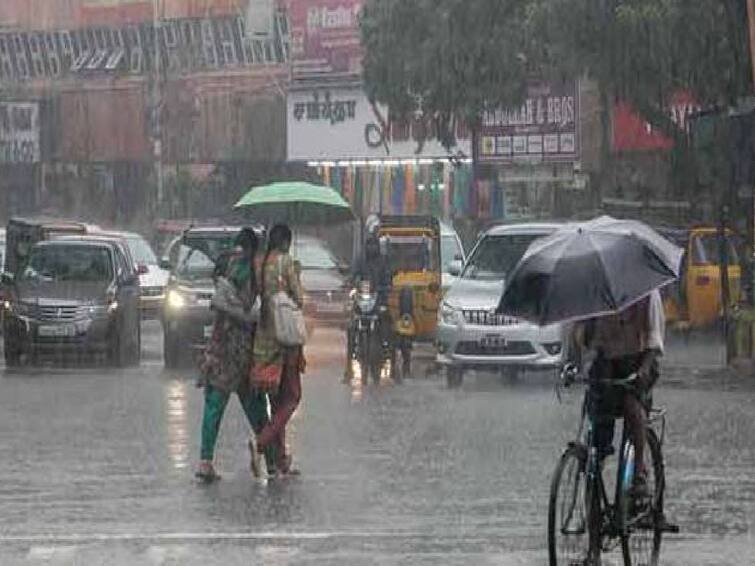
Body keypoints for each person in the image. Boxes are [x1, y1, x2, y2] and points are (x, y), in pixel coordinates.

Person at [569, 289, 665, 504]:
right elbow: (581, 338)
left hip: (639, 361)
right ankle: (597, 461)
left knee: (632, 405)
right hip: (605, 363)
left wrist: (643, 370)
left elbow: (654, 340)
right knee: (598, 412)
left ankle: (639, 472)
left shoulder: (648, 294)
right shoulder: (594, 294)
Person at [195, 228, 274, 483]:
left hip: (222, 347)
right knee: (255, 406)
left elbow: (219, 314)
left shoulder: (227, 267)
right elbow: (260, 308)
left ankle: (205, 462)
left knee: (214, 404)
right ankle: (272, 460)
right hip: (245, 348)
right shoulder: (254, 271)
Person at [254, 224, 305, 477]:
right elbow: (300, 299)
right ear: (285, 241)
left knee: (276, 401)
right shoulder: (286, 263)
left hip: (264, 340)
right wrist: (297, 275)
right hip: (286, 341)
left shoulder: (260, 263)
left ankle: (279, 461)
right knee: (293, 396)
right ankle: (262, 442)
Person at [343, 233, 392, 382]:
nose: (371, 248)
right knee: (351, 328)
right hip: (362, 301)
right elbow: (353, 276)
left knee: (388, 323)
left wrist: (386, 287)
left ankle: (389, 355)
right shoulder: (360, 260)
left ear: (378, 247)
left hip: (378, 300)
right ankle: (348, 370)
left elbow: (388, 278)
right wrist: (351, 282)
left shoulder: (383, 262)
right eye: (369, 245)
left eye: (374, 245)